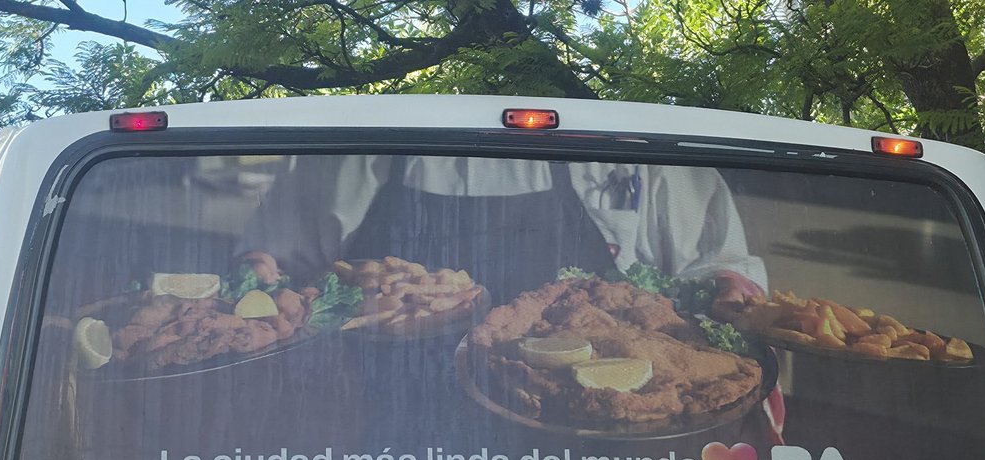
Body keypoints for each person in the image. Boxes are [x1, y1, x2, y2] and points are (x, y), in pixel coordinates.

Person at [237, 155, 767, 303]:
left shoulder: (648, 151)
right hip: (395, 421)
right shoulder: (359, 148)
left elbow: (717, 261)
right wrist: (257, 274)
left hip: (594, 417)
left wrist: (726, 286)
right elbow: (276, 261)